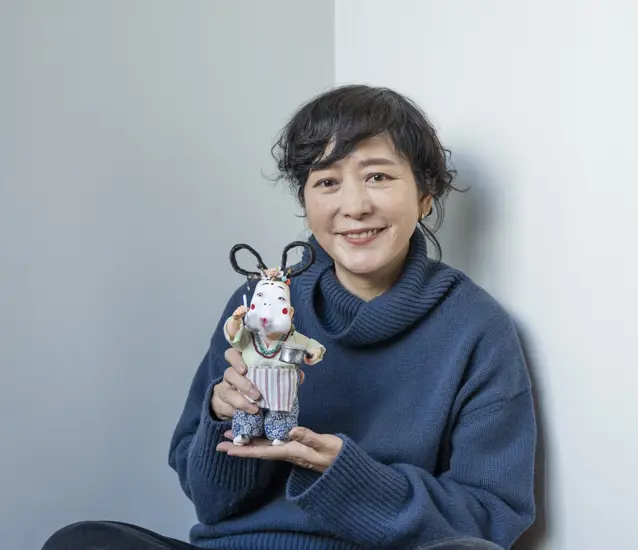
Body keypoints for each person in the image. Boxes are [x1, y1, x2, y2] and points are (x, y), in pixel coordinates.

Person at [42, 85, 537, 550]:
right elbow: (210, 503)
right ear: (305, 203)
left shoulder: (476, 329)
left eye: (378, 177)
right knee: (81, 542)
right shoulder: (257, 305)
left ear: (425, 196)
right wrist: (223, 419)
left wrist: (344, 472)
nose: (354, 206)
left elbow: (490, 517)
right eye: (327, 182)